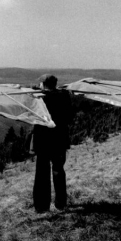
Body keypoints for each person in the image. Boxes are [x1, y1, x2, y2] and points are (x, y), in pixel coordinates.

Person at [30, 74, 73, 213]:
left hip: (43, 141)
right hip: (59, 140)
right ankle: (61, 203)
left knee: (42, 172)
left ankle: (42, 207)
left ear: (43, 84)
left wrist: (36, 90)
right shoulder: (64, 96)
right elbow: (69, 117)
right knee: (58, 170)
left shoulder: (39, 97)